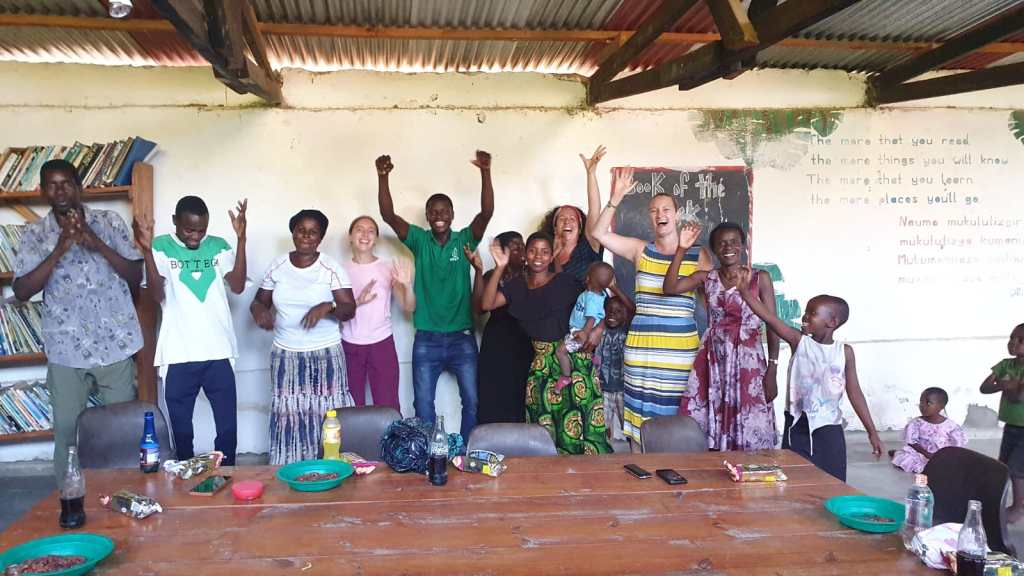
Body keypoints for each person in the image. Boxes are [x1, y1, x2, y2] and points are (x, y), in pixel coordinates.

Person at [13, 159, 143, 482]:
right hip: (66, 349)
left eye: (67, 183)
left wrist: (95, 243)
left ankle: (123, 495)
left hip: (114, 343)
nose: (60, 191)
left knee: (121, 429)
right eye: (52, 185)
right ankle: (70, 500)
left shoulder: (108, 222)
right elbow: (22, 291)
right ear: (42, 191)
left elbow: (134, 274)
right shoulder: (35, 234)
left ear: (79, 187)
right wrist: (60, 248)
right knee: (68, 432)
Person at [590, 164, 712, 448]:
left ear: (677, 214)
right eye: (654, 210)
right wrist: (616, 198)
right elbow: (598, 233)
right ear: (649, 217)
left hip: (681, 353)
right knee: (640, 421)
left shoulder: (698, 255)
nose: (660, 214)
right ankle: (641, 472)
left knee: (680, 418)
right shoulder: (640, 250)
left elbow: (711, 302)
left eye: (666, 209)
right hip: (642, 349)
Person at [375, 151, 493, 439]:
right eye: (433, 212)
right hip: (426, 338)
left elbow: (486, 213)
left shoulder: (464, 240)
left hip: (462, 337)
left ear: (452, 215)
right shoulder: (419, 239)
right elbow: (388, 215)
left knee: (473, 401)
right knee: (423, 405)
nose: (439, 216)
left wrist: (485, 172)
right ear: (427, 216)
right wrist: (383, 176)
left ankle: (464, 452)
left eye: (444, 211)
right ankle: (429, 454)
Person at [733, 273, 883, 481]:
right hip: (796, 425)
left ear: (832, 322)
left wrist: (872, 431)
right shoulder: (799, 341)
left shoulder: (844, 352)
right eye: (805, 312)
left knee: (833, 483)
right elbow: (770, 318)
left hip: (829, 429)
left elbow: (855, 393)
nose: (805, 317)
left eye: (812, 313)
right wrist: (744, 292)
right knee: (794, 480)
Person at [134, 196, 248, 466]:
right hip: (178, 352)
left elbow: (238, 285)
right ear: (175, 221)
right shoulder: (161, 247)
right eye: (188, 230)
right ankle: (185, 480)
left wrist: (241, 239)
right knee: (182, 433)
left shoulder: (218, 246)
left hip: (218, 350)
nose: (195, 236)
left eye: (201, 230)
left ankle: (225, 476)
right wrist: (147, 252)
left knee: (227, 430)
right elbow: (156, 294)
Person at [481, 232, 611, 455]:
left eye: (544, 252)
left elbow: (602, 301)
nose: (538, 256)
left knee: (581, 428)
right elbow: (487, 304)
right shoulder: (516, 286)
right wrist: (500, 267)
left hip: (573, 361)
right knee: (544, 433)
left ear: (552, 256)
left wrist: (598, 329)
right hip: (541, 366)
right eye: (532, 251)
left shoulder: (566, 282)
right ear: (525, 254)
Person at [250, 210, 356, 465]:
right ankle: (291, 468)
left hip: (325, 354)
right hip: (286, 354)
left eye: (313, 232)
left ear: (320, 238)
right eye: (301, 230)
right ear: (293, 233)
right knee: (289, 415)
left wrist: (327, 306)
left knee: (327, 415)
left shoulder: (330, 268)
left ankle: (328, 468)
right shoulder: (278, 265)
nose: (306, 236)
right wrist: (259, 312)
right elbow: (258, 301)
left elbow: (349, 309)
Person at [665, 222, 779, 451]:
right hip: (714, 360)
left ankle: (750, 466)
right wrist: (681, 249)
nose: (728, 248)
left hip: (748, 361)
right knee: (711, 416)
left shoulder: (760, 278)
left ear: (743, 245)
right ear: (715, 249)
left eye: (734, 242)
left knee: (751, 417)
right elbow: (669, 288)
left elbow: (772, 324)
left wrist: (772, 369)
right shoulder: (706, 278)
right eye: (722, 243)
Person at [342, 215, 415, 411]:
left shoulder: (388, 267)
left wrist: (407, 285)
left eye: (371, 231)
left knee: (388, 406)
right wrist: (357, 302)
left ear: (376, 238)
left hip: (381, 343)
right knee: (350, 407)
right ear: (350, 237)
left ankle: (390, 435)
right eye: (359, 229)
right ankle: (353, 436)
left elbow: (409, 307)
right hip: (349, 344)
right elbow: (332, 310)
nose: (365, 235)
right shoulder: (339, 270)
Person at [466, 232, 533, 424]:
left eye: (522, 245)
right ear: (502, 252)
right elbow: (479, 309)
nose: (521, 250)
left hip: (524, 342)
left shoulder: (532, 275)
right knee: (494, 395)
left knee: (521, 395)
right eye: (515, 247)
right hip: (498, 344)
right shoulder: (493, 276)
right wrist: (479, 271)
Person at [537, 146, 607, 284]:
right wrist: (554, 254)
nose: (567, 222)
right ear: (554, 227)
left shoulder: (589, 246)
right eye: (562, 219)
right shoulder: (545, 253)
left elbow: (594, 209)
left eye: (572, 219)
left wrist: (591, 174)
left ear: (580, 228)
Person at [980, 322, 1024, 522]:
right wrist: (1006, 385)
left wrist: (1006, 385)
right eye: (1012, 338)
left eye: (1020, 340)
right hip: (1011, 425)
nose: (1013, 343)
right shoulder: (1005, 365)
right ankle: (1006, 501)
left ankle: (1018, 508)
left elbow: (1018, 398)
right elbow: (985, 387)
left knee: (1017, 469)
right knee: (1004, 464)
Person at [555, 262, 613, 391]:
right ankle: (593, 357)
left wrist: (584, 333)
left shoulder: (591, 298)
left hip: (580, 333)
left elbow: (591, 318)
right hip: (582, 331)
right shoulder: (600, 295)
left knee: (560, 351)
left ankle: (565, 376)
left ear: (588, 279)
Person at [889, 387, 966, 474]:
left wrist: (946, 456)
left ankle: (898, 453)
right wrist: (926, 454)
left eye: (928, 403)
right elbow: (912, 442)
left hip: (941, 455)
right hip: (921, 453)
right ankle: (898, 453)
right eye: (921, 402)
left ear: (941, 406)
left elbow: (956, 446)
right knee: (906, 457)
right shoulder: (917, 423)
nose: (922, 406)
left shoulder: (951, 426)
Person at [596, 289, 633, 442]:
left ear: (625, 315)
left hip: (623, 390)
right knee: (601, 428)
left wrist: (615, 287)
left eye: (618, 312)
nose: (612, 314)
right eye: (609, 310)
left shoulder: (627, 331)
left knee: (630, 430)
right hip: (603, 389)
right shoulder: (599, 332)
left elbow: (632, 309)